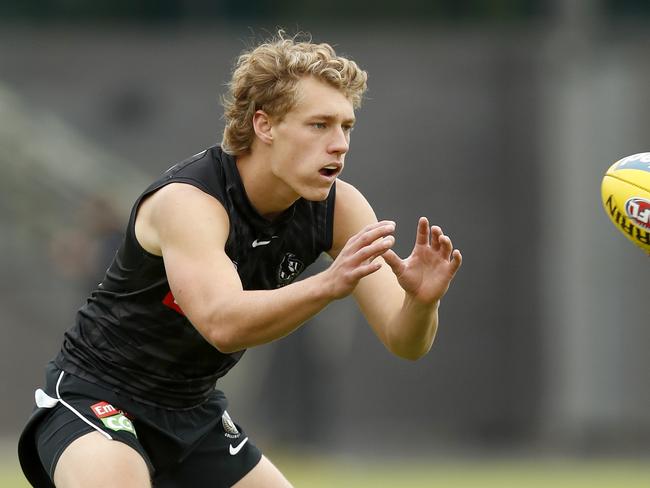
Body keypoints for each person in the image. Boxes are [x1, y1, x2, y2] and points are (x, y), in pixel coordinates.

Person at [18, 31, 462, 488]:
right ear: (264, 125)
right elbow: (222, 323)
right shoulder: (191, 202)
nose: (340, 144)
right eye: (319, 125)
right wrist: (328, 285)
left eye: (346, 126)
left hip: (193, 413)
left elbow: (405, 342)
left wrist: (422, 303)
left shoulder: (340, 209)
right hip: (97, 398)